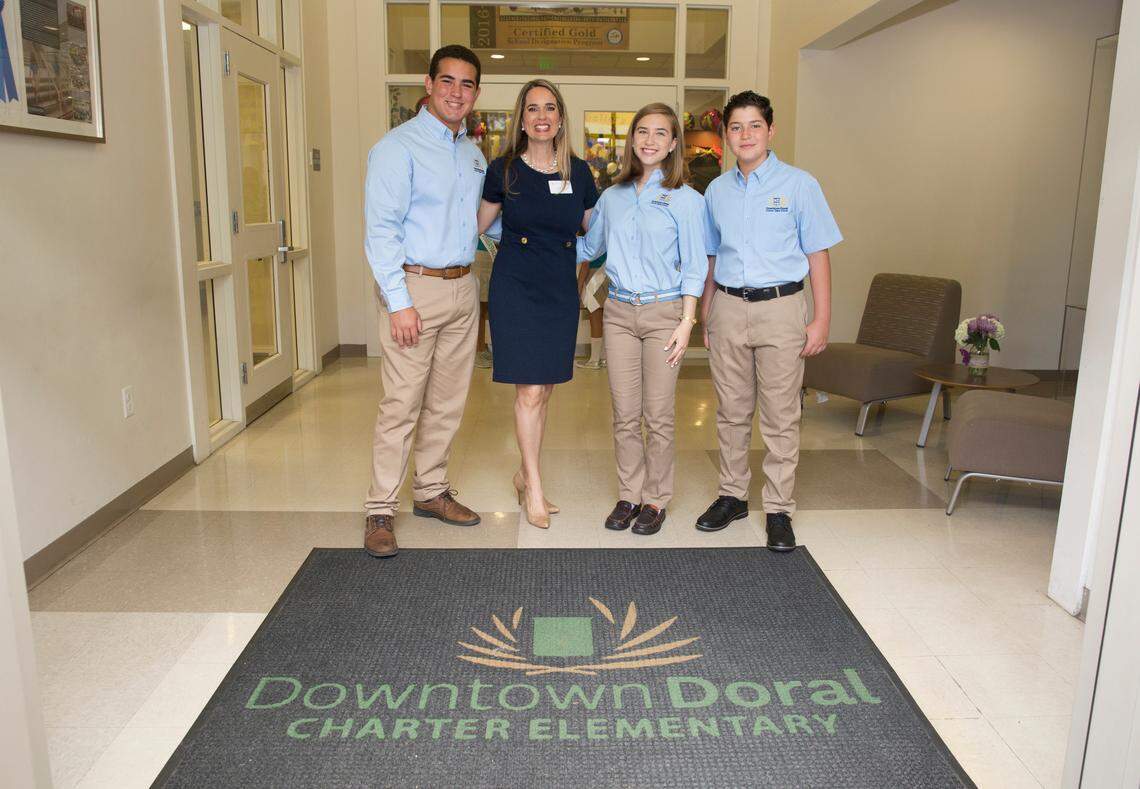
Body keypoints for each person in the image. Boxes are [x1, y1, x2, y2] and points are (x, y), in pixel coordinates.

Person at [697, 91, 842, 551]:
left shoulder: (800, 185)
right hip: (728, 308)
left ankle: (778, 509)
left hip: (782, 309)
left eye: (754, 125)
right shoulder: (716, 191)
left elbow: (818, 255)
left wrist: (820, 321)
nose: (745, 135)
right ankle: (733, 495)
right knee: (731, 411)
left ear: (770, 131)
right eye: (736, 127)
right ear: (726, 135)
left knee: (781, 416)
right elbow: (711, 256)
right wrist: (705, 310)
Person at [360, 45, 487, 558]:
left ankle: (431, 491)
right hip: (415, 288)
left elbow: (481, 222)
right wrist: (398, 302)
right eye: (448, 82)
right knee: (401, 403)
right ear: (429, 84)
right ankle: (379, 509)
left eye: (468, 84)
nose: (457, 93)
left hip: (463, 287)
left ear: (476, 92)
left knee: (448, 402)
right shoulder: (398, 147)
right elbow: (380, 230)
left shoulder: (472, 153)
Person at [576, 103, 707, 536]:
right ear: (632, 140)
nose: (649, 140)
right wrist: (531, 241)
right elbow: (588, 248)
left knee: (659, 414)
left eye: (660, 133)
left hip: (665, 313)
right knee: (624, 412)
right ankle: (629, 495)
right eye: (642, 132)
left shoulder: (688, 200)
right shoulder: (611, 197)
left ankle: (656, 498)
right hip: (618, 313)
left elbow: (694, 266)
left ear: (673, 144)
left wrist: (687, 321)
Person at [476, 79, 599, 530]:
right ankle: (536, 488)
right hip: (516, 286)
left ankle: (524, 474)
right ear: (521, 118)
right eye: (533, 109)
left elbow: (596, 227)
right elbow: (477, 226)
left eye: (550, 108)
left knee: (543, 389)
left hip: (558, 289)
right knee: (528, 391)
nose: (542, 116)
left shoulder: (579, 172)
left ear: (561, 117)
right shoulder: (503, 170)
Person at [575, 253, 607, 369]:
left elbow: (585, 265)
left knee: (595, 319)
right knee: (606, 321)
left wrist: (577, 289)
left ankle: (594, 360)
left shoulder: (592, 235)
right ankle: (604, 358)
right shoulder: (610, 235)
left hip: (594, 277)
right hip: (610, 277)